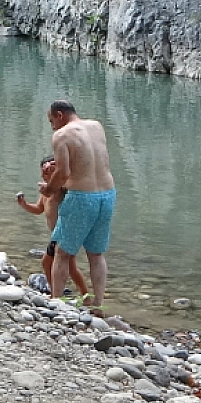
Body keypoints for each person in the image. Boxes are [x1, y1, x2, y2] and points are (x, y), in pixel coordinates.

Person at [37, 99, 115, 313]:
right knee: (96, 254)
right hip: (107, 195)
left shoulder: (61, 135)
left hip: (82, 197)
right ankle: (98, 305)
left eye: (52, 120)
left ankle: (56, 302)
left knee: (62, 252)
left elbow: (64, 173)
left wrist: (49, 190)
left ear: (59, 115)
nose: (52, 126)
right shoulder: (96, 126)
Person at [14, 156, 89, 299]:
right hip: (56, 234)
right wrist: (24, 204)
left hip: (66, 232)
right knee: (47, 262)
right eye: (44, 173)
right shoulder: (45, 192)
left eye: (49, 172)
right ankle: (55, 291)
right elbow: (38, 209)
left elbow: (68, 186)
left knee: (70, 266)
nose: (45, 176)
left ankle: (85, 296)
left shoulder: (62, 189)